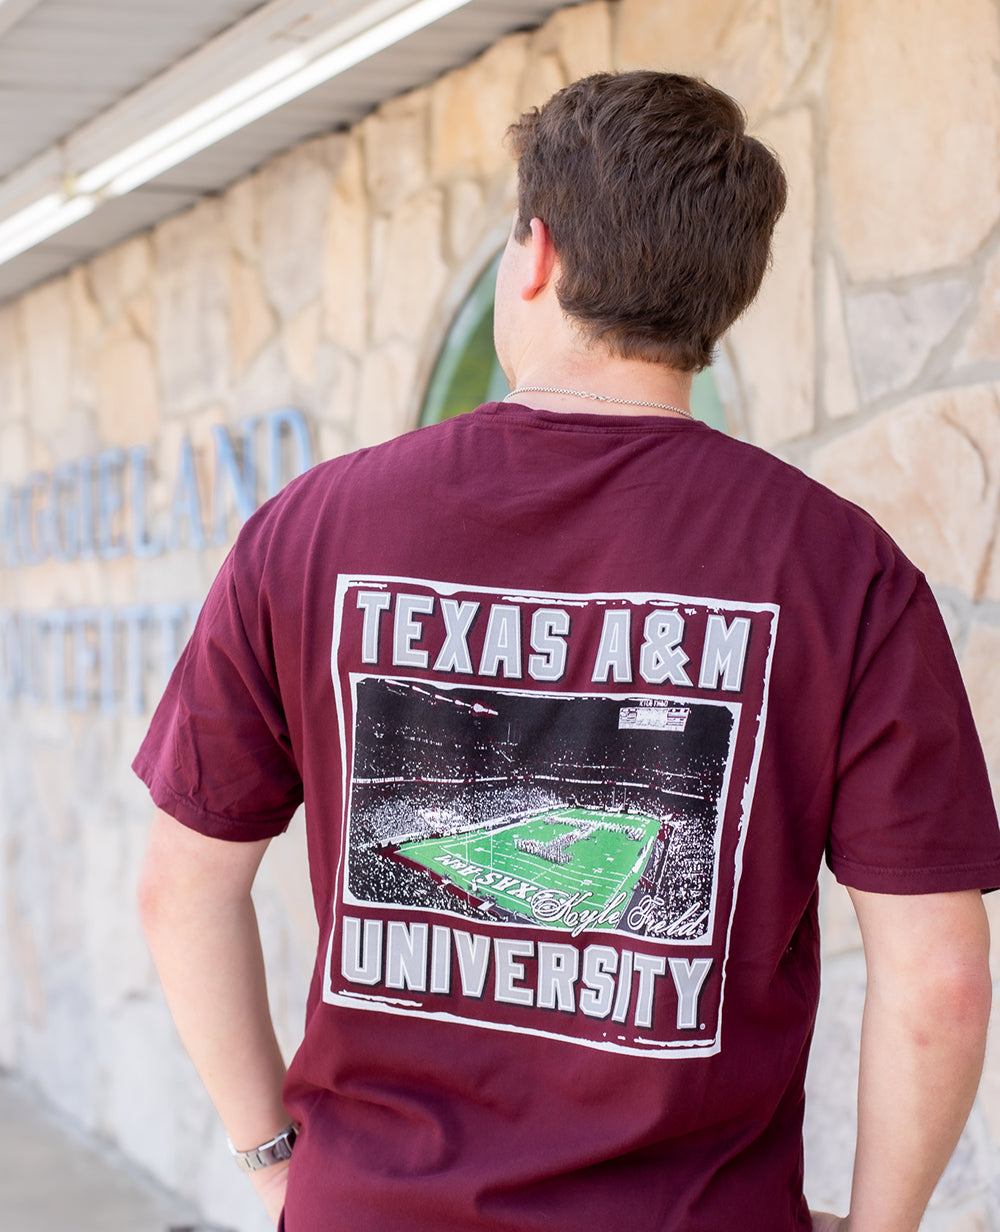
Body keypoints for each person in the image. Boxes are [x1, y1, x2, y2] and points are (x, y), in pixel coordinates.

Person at [135, 71, 999, 1232]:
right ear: (723, 297)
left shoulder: (310, 530)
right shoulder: (843, 568)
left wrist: (277, 1161)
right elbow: (938, 977)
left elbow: (180, 887)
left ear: (533, 253)